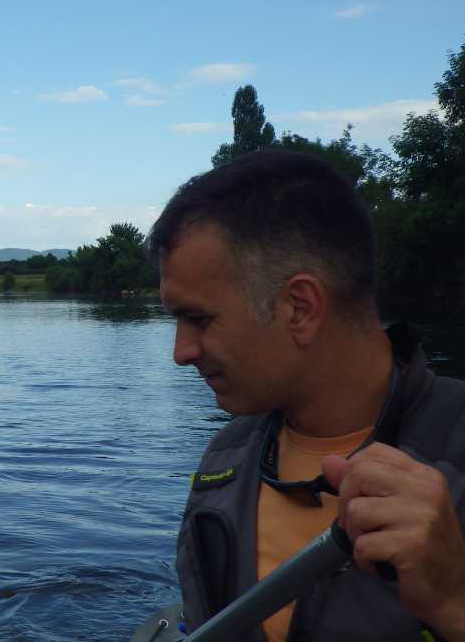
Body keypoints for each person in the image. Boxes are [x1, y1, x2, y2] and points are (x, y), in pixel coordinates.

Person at [147, 150, 465, 641]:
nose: (181, 352)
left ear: (300, 307)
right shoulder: (223, 460)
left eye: (200, 319)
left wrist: (453, 601)